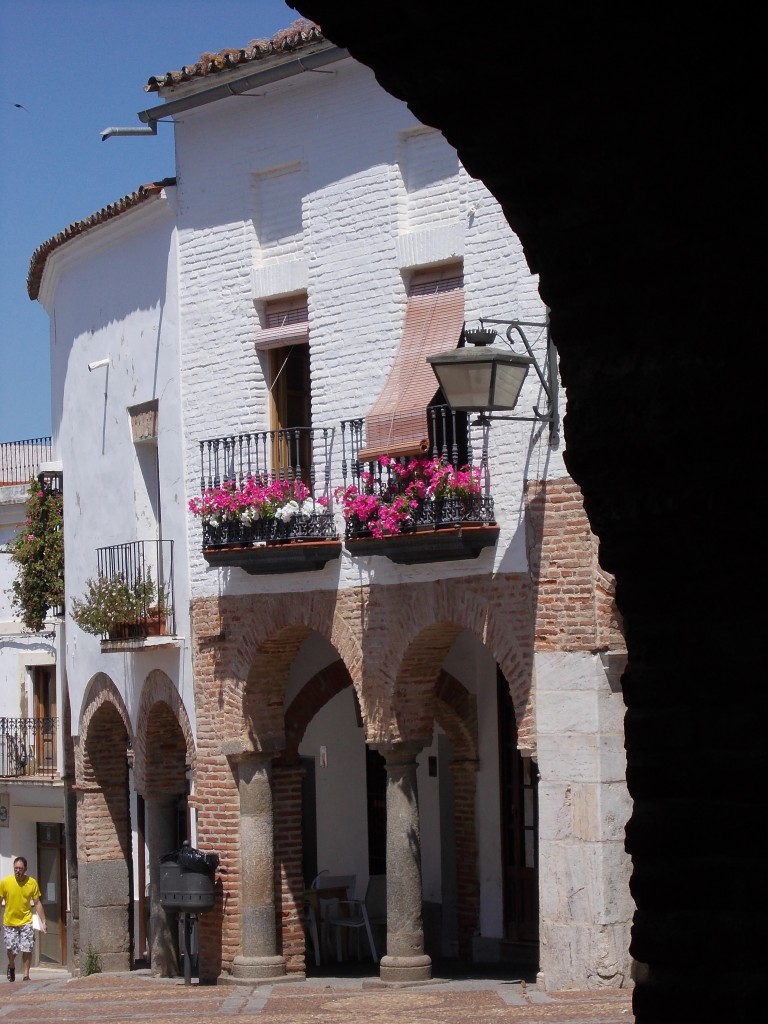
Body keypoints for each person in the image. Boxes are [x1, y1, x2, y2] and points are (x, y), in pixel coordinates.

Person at [0, 856, 47, 982]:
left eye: (20, 868)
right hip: (10, 922)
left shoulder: (32, 883)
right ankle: (11, 965)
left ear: (25, 869)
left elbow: (37, 903)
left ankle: (26, 975)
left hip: (26, 921)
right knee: (12, 950)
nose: (18, 871)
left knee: (27, 948)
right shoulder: (5, 883)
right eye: (16, 868)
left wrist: (43, 921)